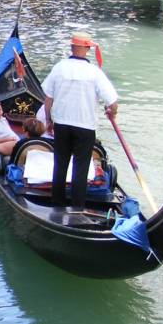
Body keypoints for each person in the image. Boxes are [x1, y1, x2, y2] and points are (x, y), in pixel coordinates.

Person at [41, 31, 119, 210]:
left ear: (71, 47)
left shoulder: (60, 67)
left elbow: (48, 98)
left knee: (60, 164)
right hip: (85, 127)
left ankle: (57, 204)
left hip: (61, 124)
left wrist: (48, 120)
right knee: (81, 168)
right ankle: (77, 207)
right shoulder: (94, 72)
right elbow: (112, 102)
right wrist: (112, 112)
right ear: (87, 49)